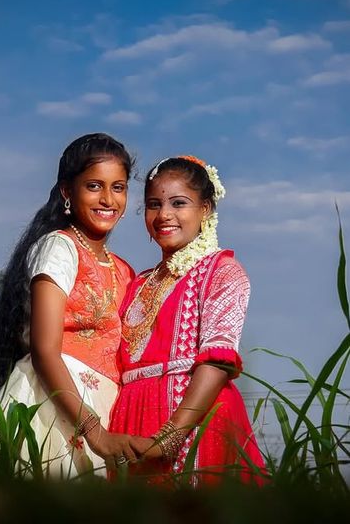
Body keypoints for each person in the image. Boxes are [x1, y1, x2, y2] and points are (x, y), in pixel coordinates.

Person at [0, 133, 137, 477]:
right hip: (57, 405)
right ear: (68, 192)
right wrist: (94, 432)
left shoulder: (125, 270)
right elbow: (44, 350)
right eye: (94, 186)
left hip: (106, 407)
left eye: (119, 187)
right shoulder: (59, 248)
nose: (108, 199)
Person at [110, 155, 266, 484]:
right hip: (133, 425)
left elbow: (218, 362)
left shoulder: (222, 272)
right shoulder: (138, 284)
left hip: (193, 423)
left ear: (206, 209)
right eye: (153, 204)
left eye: (178, 203)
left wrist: (170, 436)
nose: (164, 215)